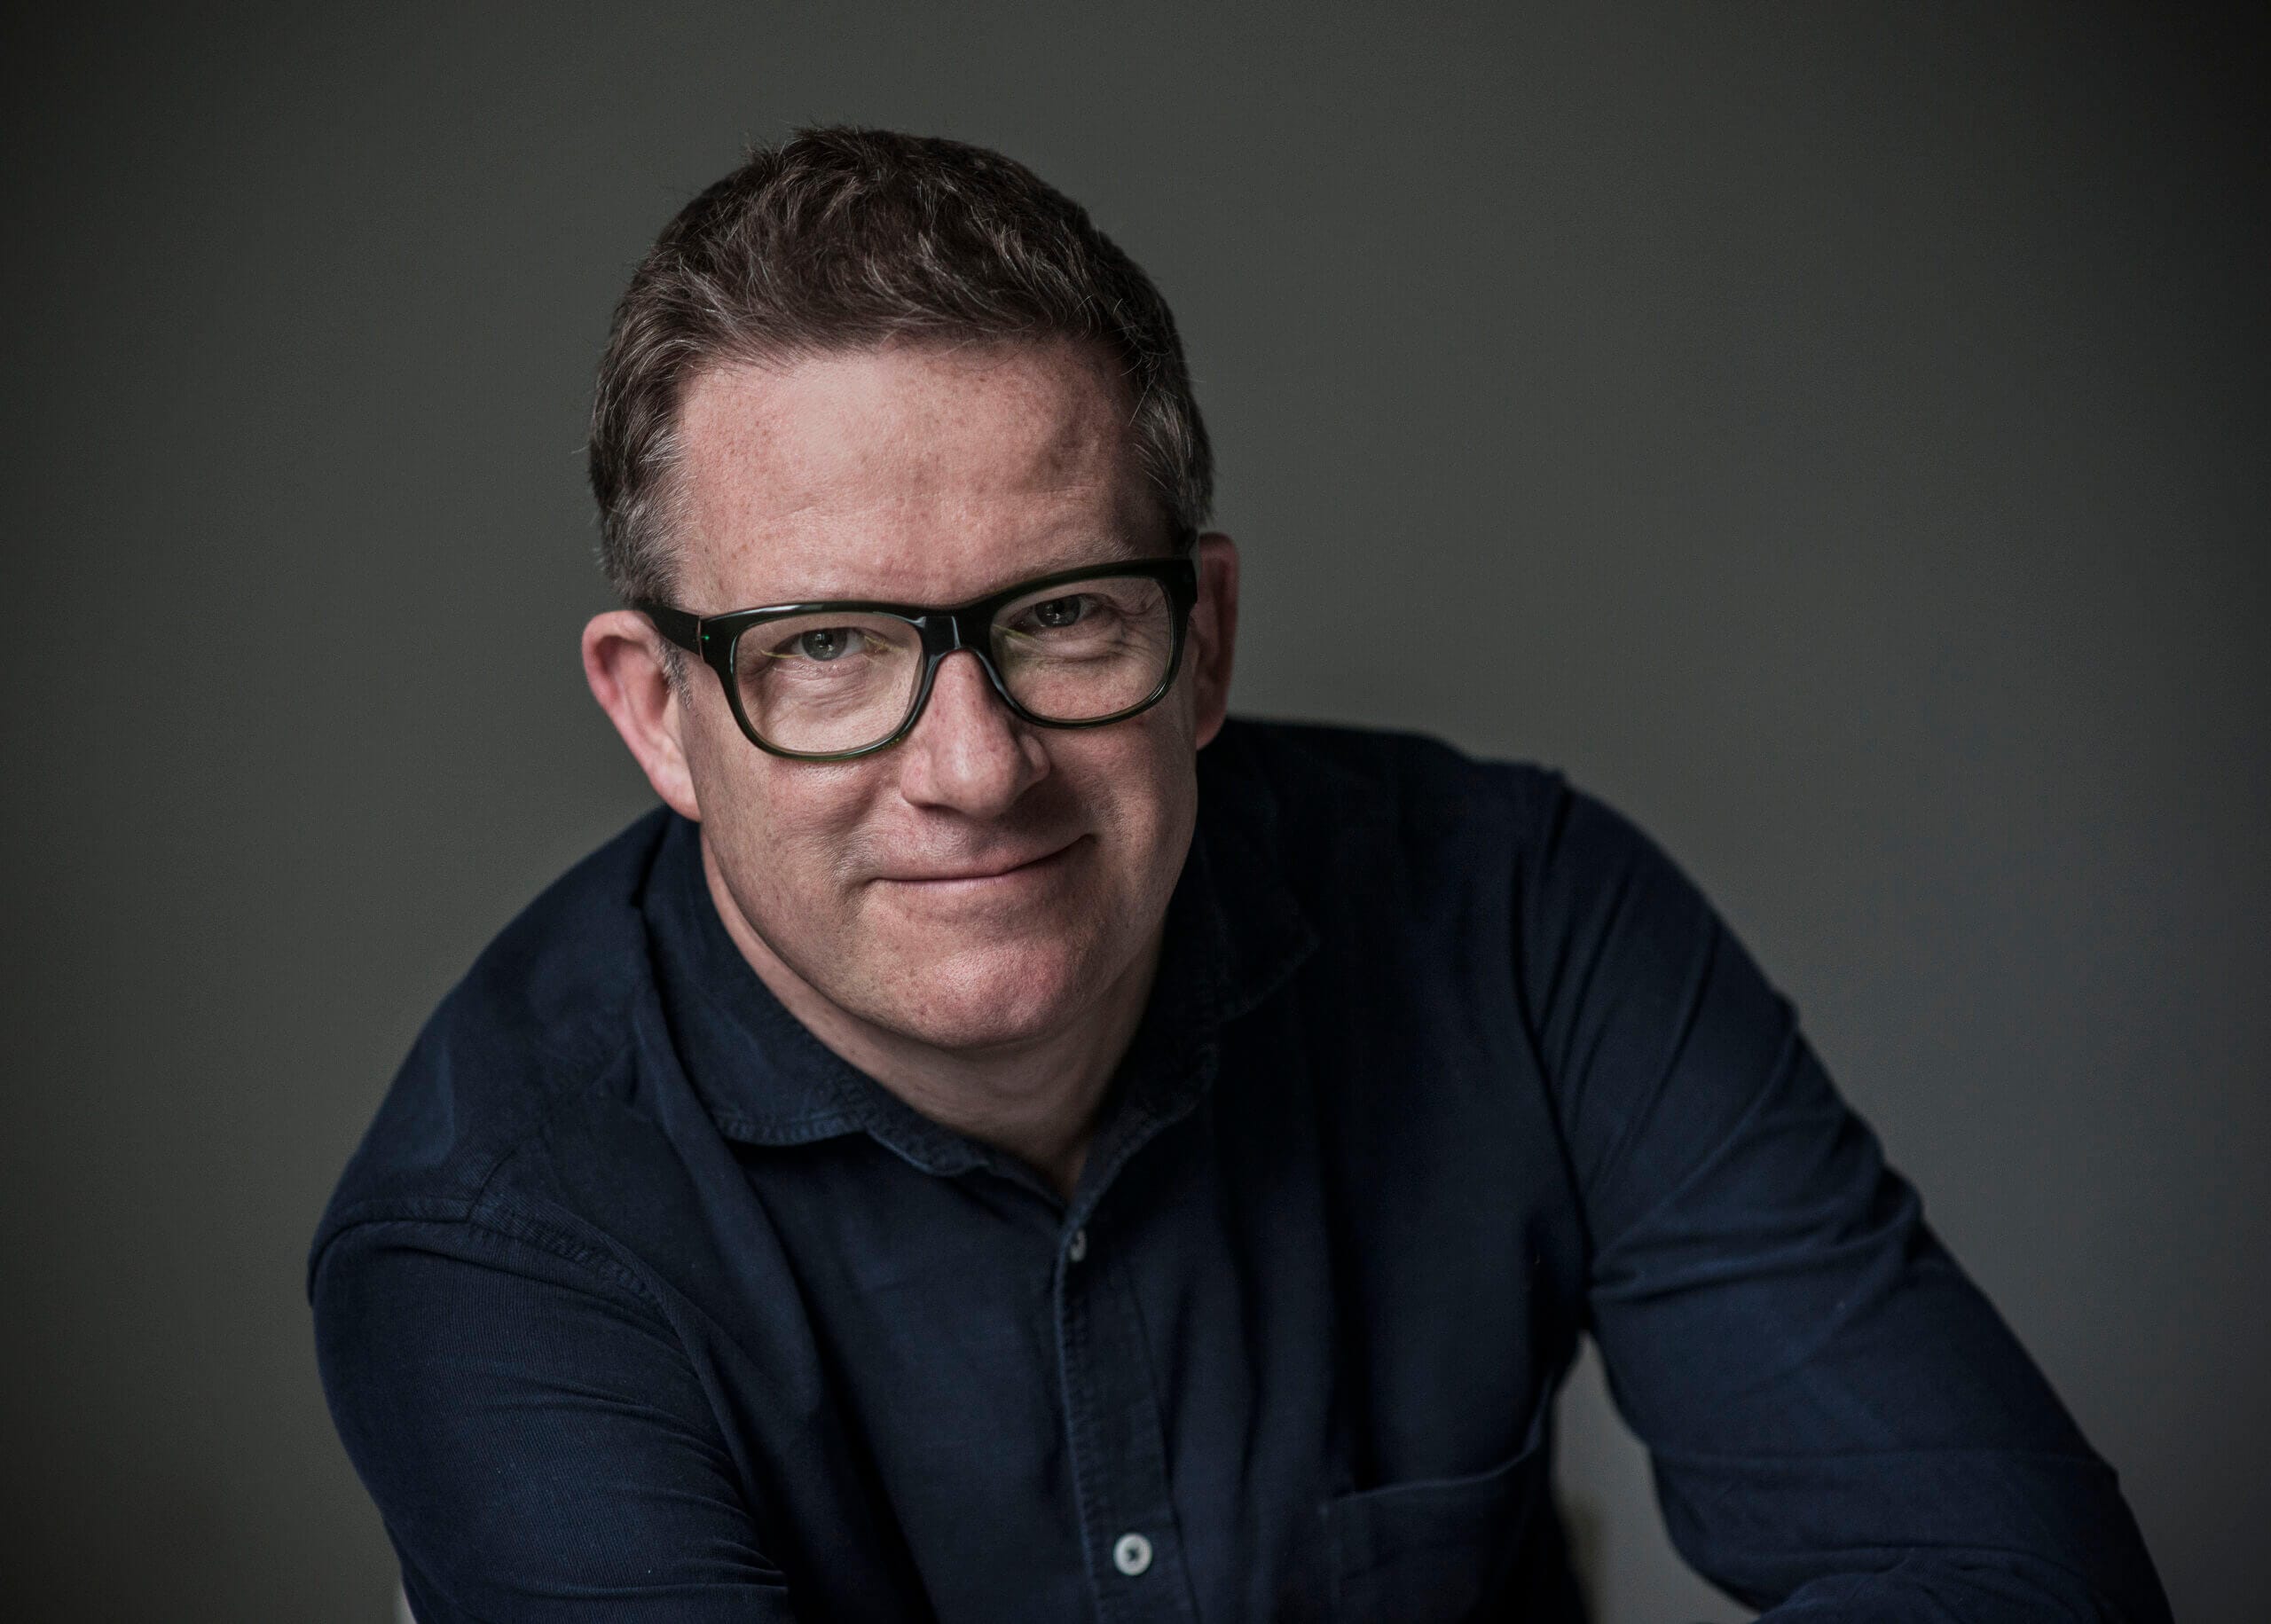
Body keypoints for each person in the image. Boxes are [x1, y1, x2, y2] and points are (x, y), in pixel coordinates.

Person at [309, 127, 2169, 1623]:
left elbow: (2004, 1576)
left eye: (1061, 615)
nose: (973, 768)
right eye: (825, 651)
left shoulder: (1518, 922)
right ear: (656, 715)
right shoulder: (493, 1242)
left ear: (1198, 641)